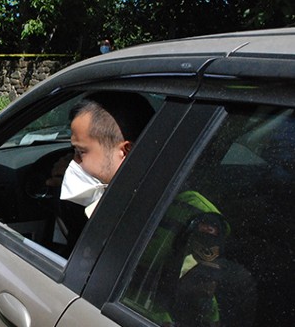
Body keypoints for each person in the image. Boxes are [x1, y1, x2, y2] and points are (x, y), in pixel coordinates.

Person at [56, 92, 232, 326]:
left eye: (81, 152)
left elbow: (197, 305)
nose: (73, 163)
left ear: (125, 152)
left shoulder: (194, 217)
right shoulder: (116, 195)